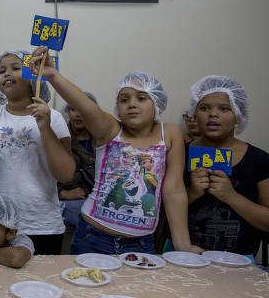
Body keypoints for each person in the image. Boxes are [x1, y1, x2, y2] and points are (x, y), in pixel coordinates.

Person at [29, 46, 202, 255]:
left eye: (141, 98)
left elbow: (174, 191)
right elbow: (85, 106)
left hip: (141, 243)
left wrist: (183, 244)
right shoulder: (111, 129)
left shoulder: (171, 134)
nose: (132, 104)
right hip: (93, 237)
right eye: (124, 99)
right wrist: (53, 75)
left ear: (157, 103)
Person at [0, 49, 75, 255]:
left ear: (32, 75)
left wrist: (45, 126)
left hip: (41, 223)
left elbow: (65, 175)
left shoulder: (54, 118)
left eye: (15, 68)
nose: (7, 73)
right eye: (1, 70)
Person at [182, 76, 269, 257]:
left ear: (238, 115)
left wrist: (231, 196)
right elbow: (158, 212)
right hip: (181, 257)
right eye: (204, 108)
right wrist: (192, 192)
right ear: (194, 114)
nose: (213, 114)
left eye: (224, 108)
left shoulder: (259, 160)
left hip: (238, 262)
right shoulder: (179, 153)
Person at [58, 92, 98, 229]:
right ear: (68, 112)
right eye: (73, 109)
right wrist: (63, 193)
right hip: (69, 205)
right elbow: (42, 173)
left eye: (82, 109)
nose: (78, 114)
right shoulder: (58, 137)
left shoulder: (102, 138)